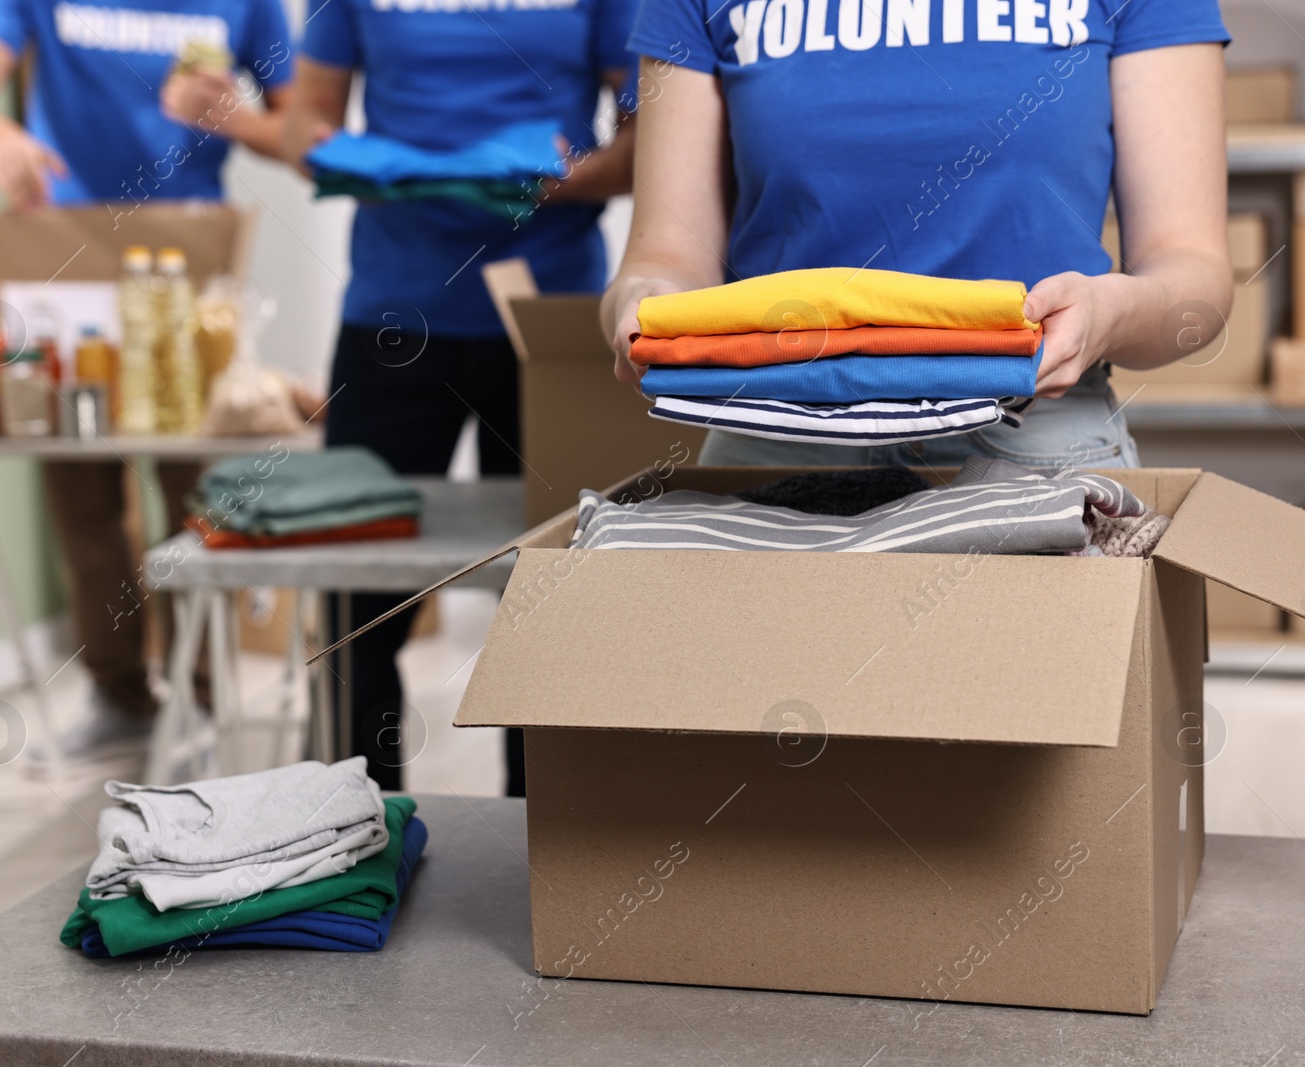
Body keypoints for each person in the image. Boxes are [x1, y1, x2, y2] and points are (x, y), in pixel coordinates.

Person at [602, 0, 1233, 472]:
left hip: (1032, 431)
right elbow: (664, 256)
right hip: (776, 427)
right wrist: (640, 305)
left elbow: (1191, 269)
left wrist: (1108, 314)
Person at [281, 0, 640, 796]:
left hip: (547, 322)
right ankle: (354, 834)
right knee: (355, 612)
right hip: (391, 315)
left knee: (548, 598)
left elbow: (648, 137)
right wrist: (339, 154)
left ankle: (539, 840)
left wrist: (567, 179)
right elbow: (306, 114)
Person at [0, 0, 294, 758]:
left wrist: (235, 115)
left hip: (189, 264)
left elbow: (301, 134)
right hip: (66, 262)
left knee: (194, 496)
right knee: (82, 496)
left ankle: (201, 695)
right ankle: (116, 691)